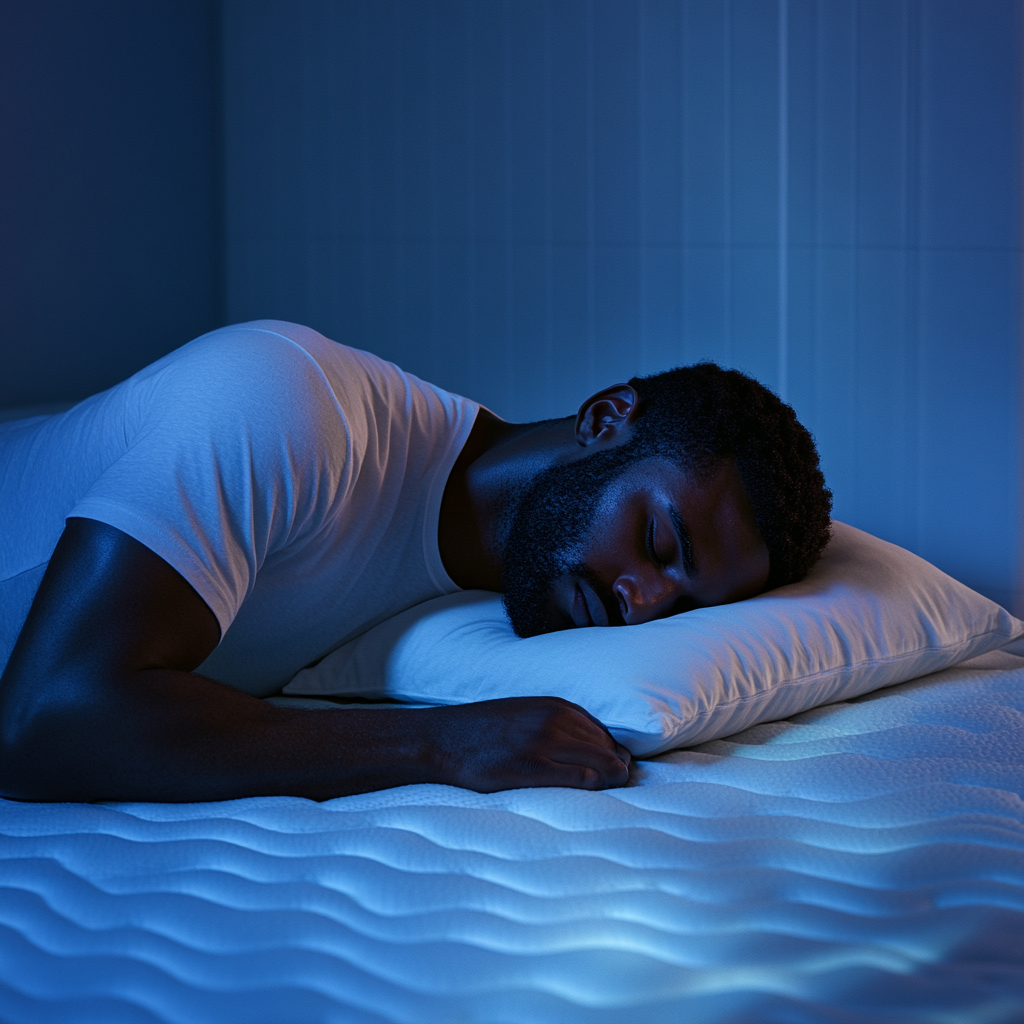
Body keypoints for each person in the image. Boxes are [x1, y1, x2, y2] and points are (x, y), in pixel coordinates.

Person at [0, 321, 832, 803]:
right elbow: (40, 719)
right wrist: (440, 746)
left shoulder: (478, 584)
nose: (642, 604)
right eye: (656, 542)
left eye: (682, 607)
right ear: (604, 418)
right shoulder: (291, 406)